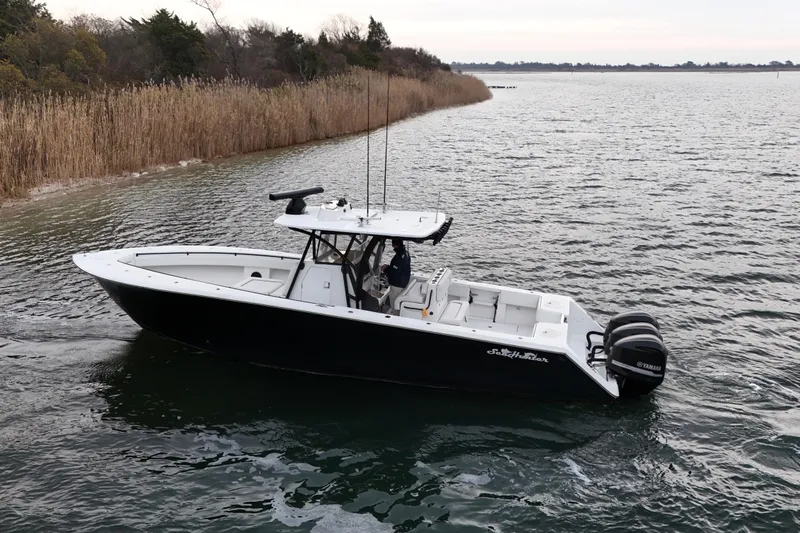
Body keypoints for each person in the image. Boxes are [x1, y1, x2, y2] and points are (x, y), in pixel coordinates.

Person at [382, 238, 411, 311]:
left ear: (394, 245)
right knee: (398, 304)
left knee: (395, 305)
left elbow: (394, 271)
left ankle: (395, 317)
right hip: (403, 283)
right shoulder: (406, 253)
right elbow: (398, 268)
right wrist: (389, 267)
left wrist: (385, 269)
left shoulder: (399, 257)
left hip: (396, 285)